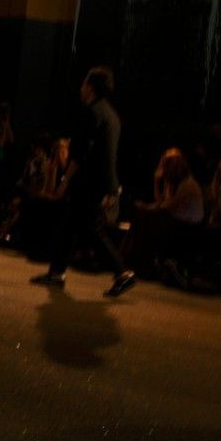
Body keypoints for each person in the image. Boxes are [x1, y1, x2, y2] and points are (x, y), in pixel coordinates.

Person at [33, 66, 135, 297]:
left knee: (90, 227)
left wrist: (65, 180)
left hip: (89, 181)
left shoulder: (91, 112)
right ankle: (56, 273)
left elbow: (80, 152)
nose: (81, 88)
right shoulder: (112, 115)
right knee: (70, 225)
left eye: (83, 83)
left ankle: (123, 272)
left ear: (90, 87)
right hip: (104, 181)